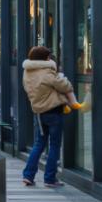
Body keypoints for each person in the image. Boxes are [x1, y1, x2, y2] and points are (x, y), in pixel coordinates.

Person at [21, 46, 73, 188]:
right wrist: (63, 78)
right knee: (55, 145)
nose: (50, 59)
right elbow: (65, 86)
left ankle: (28, 175)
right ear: (45, 58)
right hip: (54, 111)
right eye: (49, 57)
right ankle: (50, 178)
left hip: (38, 112)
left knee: (39, 143)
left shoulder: (27, 72)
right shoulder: (47, 72)